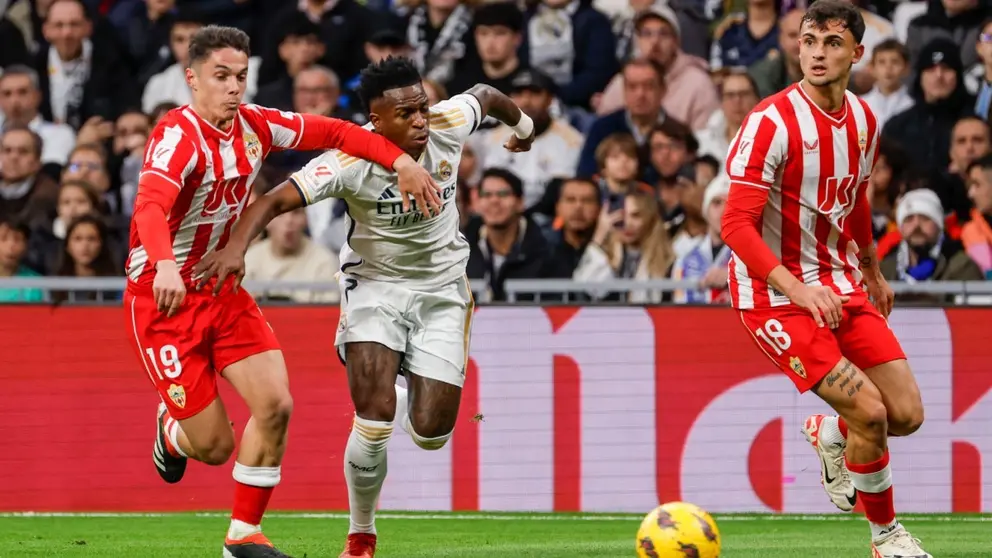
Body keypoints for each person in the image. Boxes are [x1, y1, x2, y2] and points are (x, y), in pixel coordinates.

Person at [194, 56, 536, 558]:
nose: (421, 119)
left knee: (429, 436)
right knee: (373, 419)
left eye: (422, 107)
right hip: (373, 289)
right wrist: (235, 248)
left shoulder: (445, 123)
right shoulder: (347, 162)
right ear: (375, 120)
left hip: (442, 291)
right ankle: (361, 536)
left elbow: (485, 93)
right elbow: (271, 201)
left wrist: (522, 128)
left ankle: (402, 390)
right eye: (407, 113)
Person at [123, 27, 438, 558]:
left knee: (276, 405)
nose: (233, 88)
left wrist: (401, 161)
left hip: (222, 291)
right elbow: (149, 208)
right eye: (221, 76)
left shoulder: (256, 126)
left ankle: (242, 536)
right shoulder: (176, 136)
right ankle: (171, 432)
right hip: (164, 299)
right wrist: (164, 265)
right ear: (192, 78)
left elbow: (337, 133)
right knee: (215, 446)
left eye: (240, 76)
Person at [719, 2, 930, 557]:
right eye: (809, 40)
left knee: (905, 415)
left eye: (833, 42)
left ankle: (830, 433)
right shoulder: (770, 122)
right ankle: (886, 537)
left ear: (857, 53)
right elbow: (735, 224)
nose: (818, 52)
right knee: (870, 411)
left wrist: (871, 268)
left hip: (841, 282)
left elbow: (856, 198)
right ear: (797, 47)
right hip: (775, 297)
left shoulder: (863, 120)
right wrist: (798, 289)